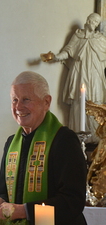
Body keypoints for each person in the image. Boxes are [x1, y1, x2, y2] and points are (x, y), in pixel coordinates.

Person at [0, 71, 92, 225]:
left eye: (26, 99)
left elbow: (72, 201)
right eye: (14, 100)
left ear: (46, 102)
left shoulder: (64, 140)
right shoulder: (12, 143)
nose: (18, 106)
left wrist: (22, 211)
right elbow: (4, 193)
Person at [42, 13, 106, 141]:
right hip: (80, 73)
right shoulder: (78, 35)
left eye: (96, 23)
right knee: (79, 101)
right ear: (87, 21)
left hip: (95, 75)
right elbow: (68, 51)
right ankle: (78, 137)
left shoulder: (100, 39)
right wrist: (55, 57)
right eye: (92, 21)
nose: (94, 25)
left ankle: (96, 139)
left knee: (96, 102)